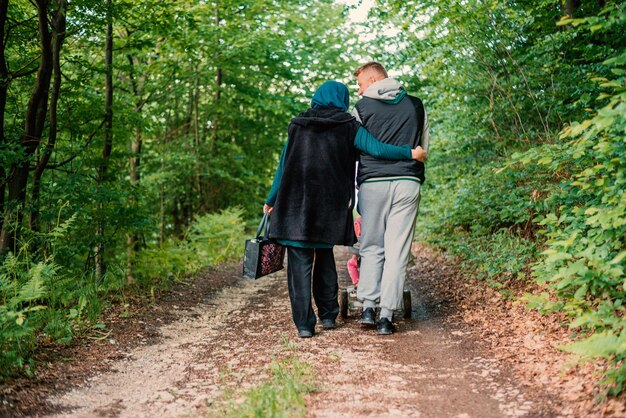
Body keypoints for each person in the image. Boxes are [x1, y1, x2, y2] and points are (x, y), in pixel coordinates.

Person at [264, 80, 426, 338]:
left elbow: (283, 166)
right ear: (341, 99)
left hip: (294, 206)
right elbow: (376, 148)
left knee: (299, 265)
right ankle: (328, 316)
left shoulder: (298, 125)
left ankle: (305, 326)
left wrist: (271, 199)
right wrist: (410, 153)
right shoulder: (348, 126)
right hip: (328, 206)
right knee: (324, 257)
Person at [352, 62, 430, 335]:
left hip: (373, 184)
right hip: (407, 183)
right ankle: (386, 317)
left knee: (372, 245)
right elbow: (423, 147)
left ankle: (368, 308)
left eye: (360, 84)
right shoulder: (416, 105)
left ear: (373, 79)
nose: (359, 90)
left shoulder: (360, 110)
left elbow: (358, 149)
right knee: (397, 249)